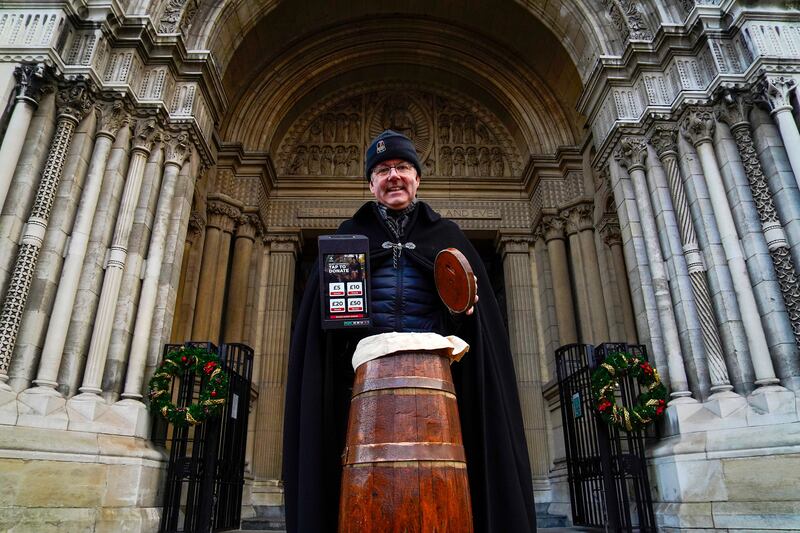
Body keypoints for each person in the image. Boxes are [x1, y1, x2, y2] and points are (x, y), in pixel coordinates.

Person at [282, 130, 536, 532]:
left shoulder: (447, 237)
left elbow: (471, 318)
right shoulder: (348, 237)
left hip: (437, 380)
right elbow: (324, 327)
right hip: (366, 381)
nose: (393, 176)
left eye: (402, 167)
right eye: (383, 170)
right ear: (371, 184)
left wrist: (463, 312)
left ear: (417, 178)